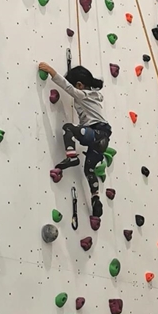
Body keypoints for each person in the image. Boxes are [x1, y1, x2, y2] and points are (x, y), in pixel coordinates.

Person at [38, 63, 112, 218]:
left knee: (69, 128)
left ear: (79, 85)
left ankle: (71, 157)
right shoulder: (94, 96)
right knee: (89, 170)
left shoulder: (83, 94)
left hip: (96, 133)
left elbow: (67, 88)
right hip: (103, 138)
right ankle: (95, 197)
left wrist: (52, 72)